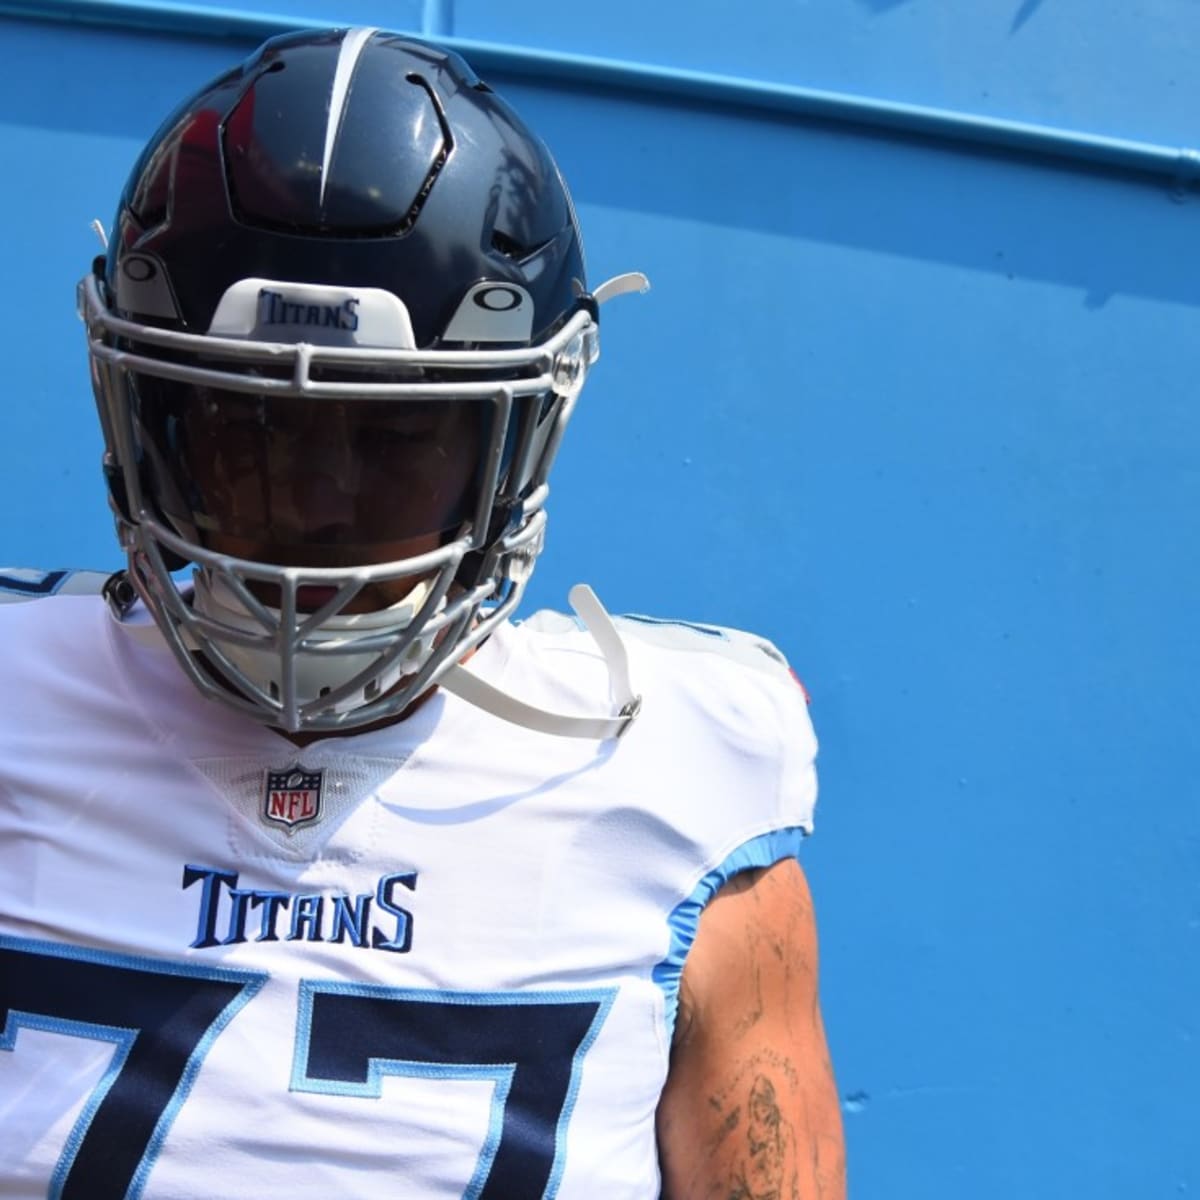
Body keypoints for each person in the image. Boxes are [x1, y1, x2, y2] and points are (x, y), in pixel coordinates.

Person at [0, 26, 845, 1200]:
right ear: (148, 415)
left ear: (523, 432)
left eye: (395, 439)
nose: (319, 501)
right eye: (251, 432)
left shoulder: (684, 761)